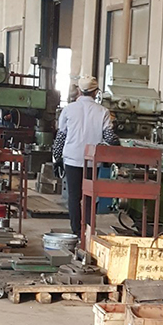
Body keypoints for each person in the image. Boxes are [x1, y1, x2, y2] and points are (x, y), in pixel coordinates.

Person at [53, 76, 119, 238]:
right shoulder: (103, 112)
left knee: (74, 197)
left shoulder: (68, 110)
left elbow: (61, 137)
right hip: (92, 161)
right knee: (89, 197)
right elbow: (110, 138)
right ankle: (89, 231)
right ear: (96, 92)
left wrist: (57, 158)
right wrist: (118, 146)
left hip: (72, 159)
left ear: (79, 91)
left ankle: (76, 231)